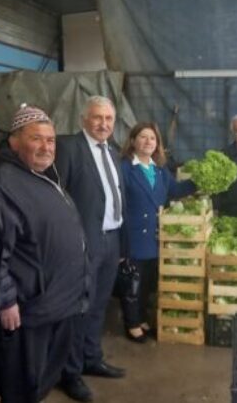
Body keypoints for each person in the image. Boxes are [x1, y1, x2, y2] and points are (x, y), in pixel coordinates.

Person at [0, 105, 89, 402]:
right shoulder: (0, 180)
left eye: (50, 140)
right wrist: (6, 298)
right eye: (36, 138)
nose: (46, 146)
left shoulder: (40, 174)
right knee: (21, 383)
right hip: (29, 309)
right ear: (14, 142)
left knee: (43, 378)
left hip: (58, 302)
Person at [55, 96, 127, 402]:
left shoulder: (112, 151)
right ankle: (70, 373)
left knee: (99, 304)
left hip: (111, 238)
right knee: (79, 308)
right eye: (98, 118)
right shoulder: (69, 148)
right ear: (84, 118)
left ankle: (91, 358)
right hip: (85, 241)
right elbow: (59, 196)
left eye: (109, 119)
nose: (104, 124)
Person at [119, 122, 196, 343]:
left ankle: (142, 319)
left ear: (157, 144)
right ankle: (132, 323)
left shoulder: (160, 169)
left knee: (147, 283)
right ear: (133, 141)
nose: (148, 142)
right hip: (134, 235)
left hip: (155, 237)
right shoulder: (124, 168)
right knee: (133, 281)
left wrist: (198, 181)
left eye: (152, 138)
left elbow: (176, 190)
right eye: (142, 137)